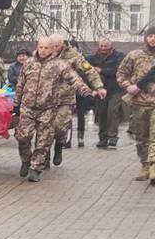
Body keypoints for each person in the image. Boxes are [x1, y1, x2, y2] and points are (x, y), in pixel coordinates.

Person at [14, 37, 95, 182]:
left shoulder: (59, 65)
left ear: (52, 49)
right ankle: (26, 160)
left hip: (48, 108)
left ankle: (35, 168)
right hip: (28, 107)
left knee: (43, 140)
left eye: (46, 48)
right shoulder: (29, 63)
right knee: (22, 137)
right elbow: (20, 84)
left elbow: (75, 79)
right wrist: (16, 103)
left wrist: (87, 92)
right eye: (41, 47)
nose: (43, 50)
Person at [50, 33, 104, 162]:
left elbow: (88, 70)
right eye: (53, 46)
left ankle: (59, 145)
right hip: (46, 97)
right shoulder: (44, 52)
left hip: (65, 97)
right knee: (44, 128)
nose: (54, 48)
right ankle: (44, 156)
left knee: (60, 126)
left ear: (62, 43)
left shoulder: (74, 55)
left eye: (57, 46)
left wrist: (98, 86)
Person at [116, 25, 155, 182]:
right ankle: (144, 164)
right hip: (139, 103)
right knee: (141, 137)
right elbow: (121, 74)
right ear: (146, 37)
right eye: (151, 35)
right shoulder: (135, 55)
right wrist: (128, 86)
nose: (153, 39)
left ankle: (153, 166)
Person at [86, 39, 124, 149]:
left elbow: (117, 71)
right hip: (100, 89)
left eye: (105, 46)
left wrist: (101, 70)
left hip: (115, 90)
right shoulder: (93, 58)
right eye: (101, 46)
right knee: (101, 113)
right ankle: (102, 139)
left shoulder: (118, 57)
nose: (103, 48)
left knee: (112, 111)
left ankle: (112, 137)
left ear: (110, 46)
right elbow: (85, 67)